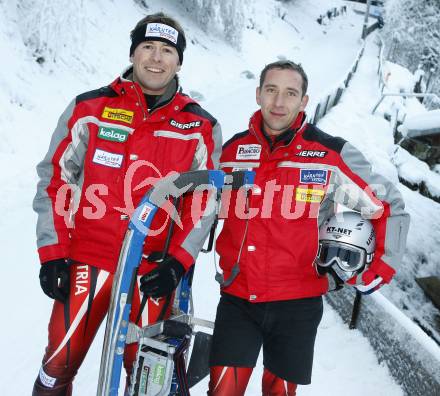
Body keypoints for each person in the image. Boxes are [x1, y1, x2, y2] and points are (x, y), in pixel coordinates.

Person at [32, 12, 221, 395]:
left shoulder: (198, 125)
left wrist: (179, 262)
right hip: (89, 258)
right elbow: (55, 177)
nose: (156, 57)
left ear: (179, 61)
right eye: (147, 47)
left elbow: (205, 200)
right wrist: (52, 252)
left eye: (167, 50)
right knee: (59, 361)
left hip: (153, 267)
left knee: (149, 376)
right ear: (133, 54)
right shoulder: (89, 108)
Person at [208, 60, 409, 396]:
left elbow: (388, 206)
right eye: (271, 90)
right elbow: (200, 210)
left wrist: (380, 266)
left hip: (297, 304)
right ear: (258, 94)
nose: (278, 102)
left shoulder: (330, 154)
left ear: (304, 101)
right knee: (222, 392)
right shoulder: (232, 152)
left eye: (290, 93)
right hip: (237, 299)